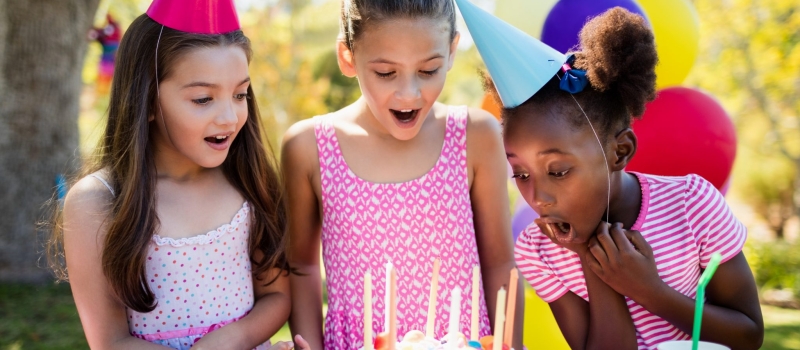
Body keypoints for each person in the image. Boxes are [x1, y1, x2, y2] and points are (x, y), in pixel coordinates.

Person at [457, 1, 764, 349]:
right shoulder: (538, 249)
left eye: (557, 170)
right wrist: (589, 255)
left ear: (619, 151)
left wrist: (648, 290)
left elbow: (749, 334)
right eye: (521, 174)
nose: (538, 197)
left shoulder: (692, 203)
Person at [48, 0, 307, 348]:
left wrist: (234, 338)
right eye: (203, 99)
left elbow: (276, 296)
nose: (229, 118)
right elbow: (111, 341)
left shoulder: (247, 182)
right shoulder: (98, 203)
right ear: (148, 99)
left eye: (240, 94)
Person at [281, 0, 523, 348]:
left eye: (428, 70)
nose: (409, 93)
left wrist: (509, 344)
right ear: (348, 57)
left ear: (452, 51)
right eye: (385, 73)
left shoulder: (476, 134)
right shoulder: (308, 148)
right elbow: (301, 267)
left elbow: (499, 264)